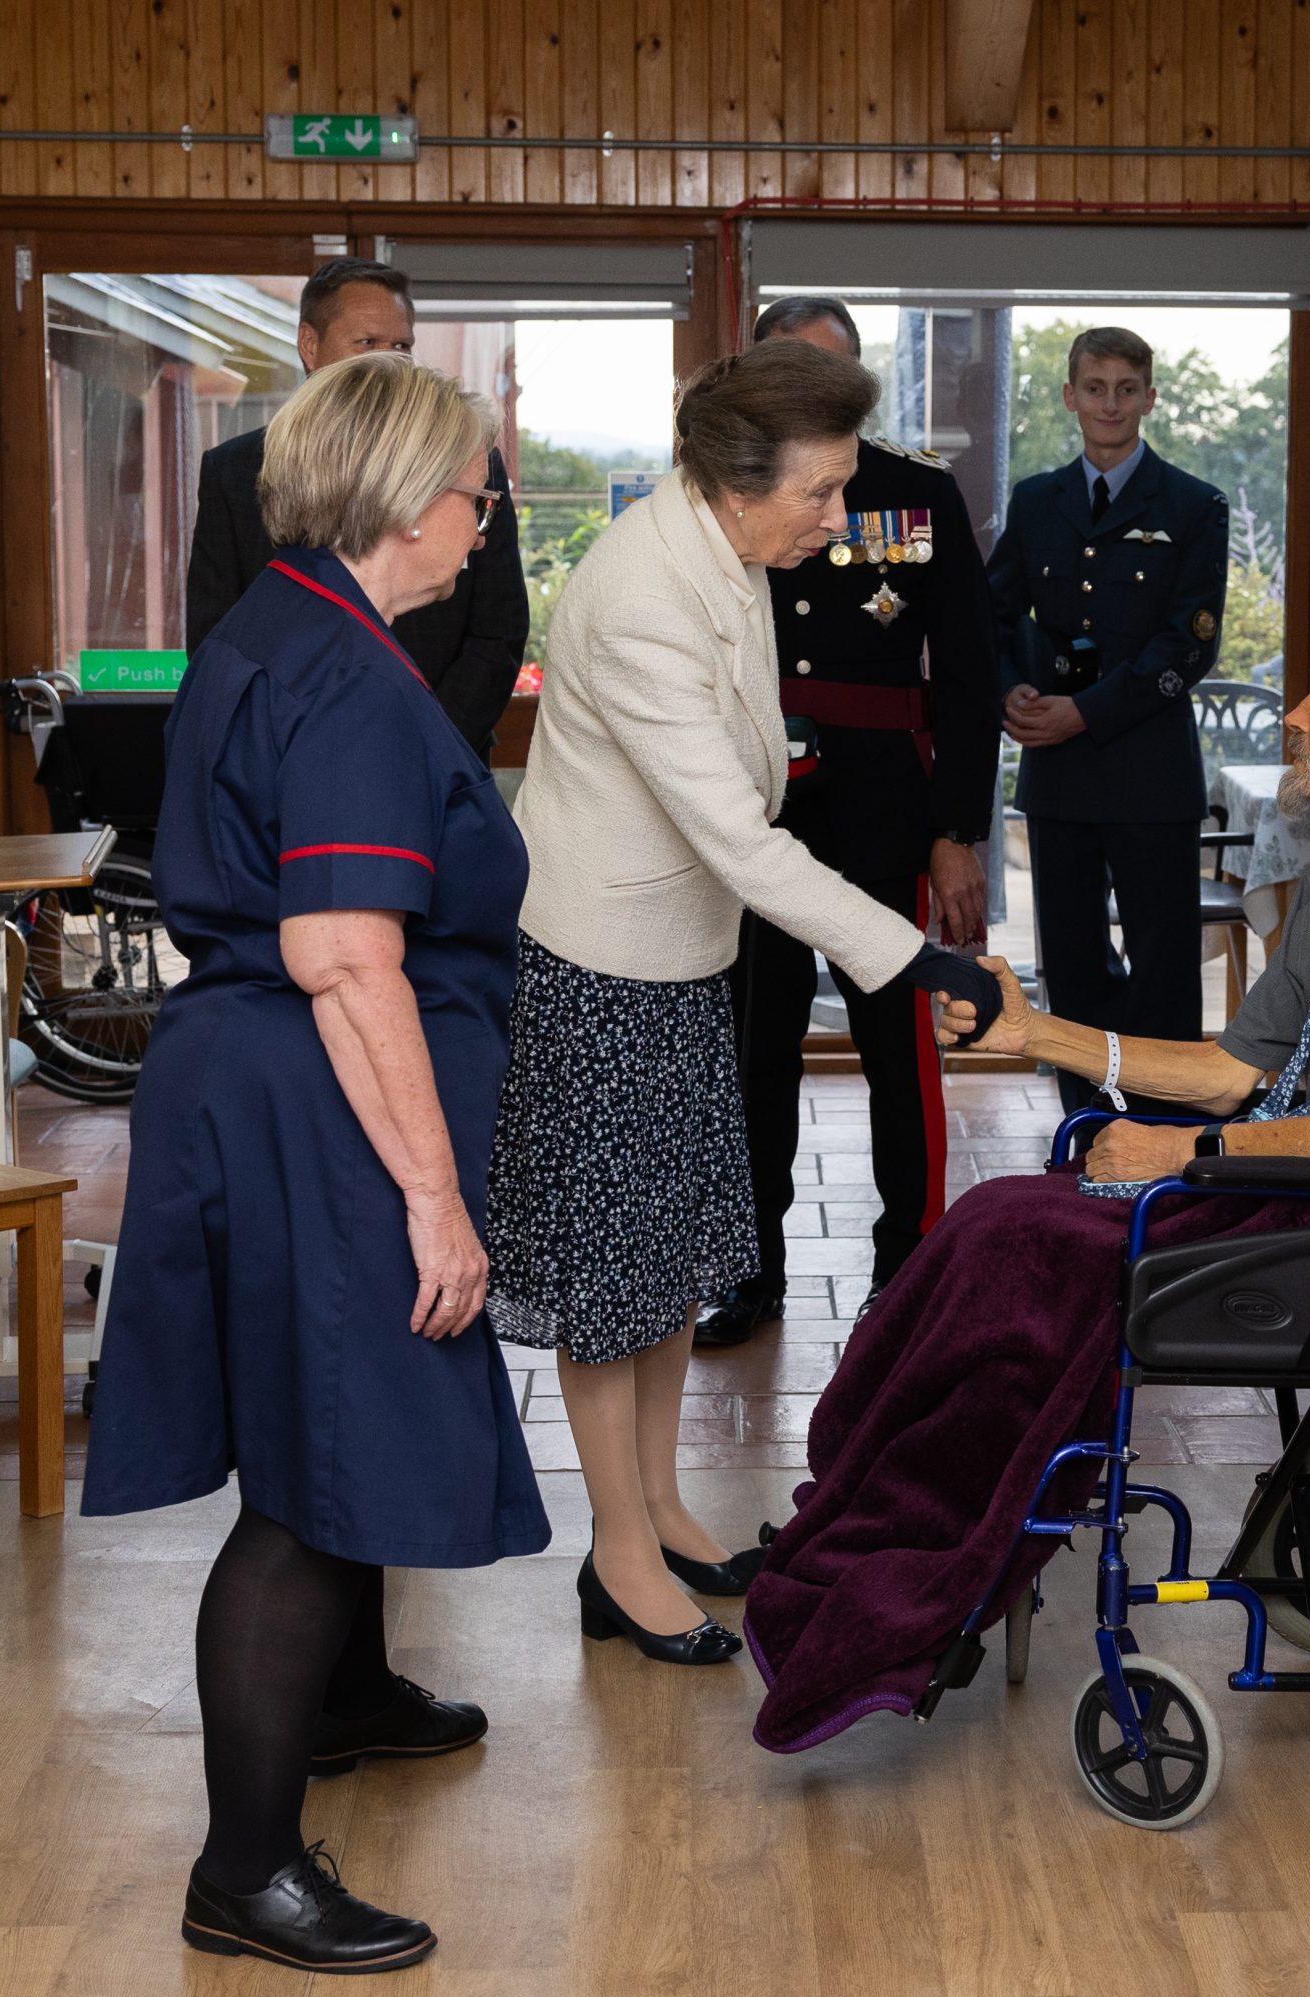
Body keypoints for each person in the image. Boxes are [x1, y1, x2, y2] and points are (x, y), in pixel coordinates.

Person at [744, 624, 1310, 1753]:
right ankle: (870, 1509)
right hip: (1286, 1187)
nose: (1293, 714)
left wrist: (1179, 1158)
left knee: (1022, 1250)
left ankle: (914, 1552)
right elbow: (1234, 1071)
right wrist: (1038, 1030)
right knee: (996, 1215)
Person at [80, 353, 547, 1974]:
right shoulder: (350, 680)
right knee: (318, 1470)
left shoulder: (277, 622)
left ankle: (351, 1696)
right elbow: (350, 958)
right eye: (481, 491)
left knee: (323, 1424)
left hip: (254, 1083)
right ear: (415, 495)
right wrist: (433, 1192)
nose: (487, 524)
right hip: (322, 1097)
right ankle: (250, 1868)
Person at [486, 339, 986, 1666]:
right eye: (822, 491)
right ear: (736, 477)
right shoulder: (647, 594)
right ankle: (618, 1557)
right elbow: (736, 835)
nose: (839, 516)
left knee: (658, 1268)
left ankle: (661, 1511)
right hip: (602, 965)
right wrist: (911, 954)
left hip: (675, 954)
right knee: (613, 1278)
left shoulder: (731, 555)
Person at [695, 296, 1002, 1348]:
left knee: (896, 1042)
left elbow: (967, 673)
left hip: (885, 799)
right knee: (754, 1042)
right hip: (759, 801)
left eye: (830, 374)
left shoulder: (912, 492)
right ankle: (751, 1269)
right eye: (791, 370)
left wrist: (957, 824)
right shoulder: (727, 494)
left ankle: (908, 1270)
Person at [988, 326, 1230, 1113]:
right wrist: (1010, 692)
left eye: (1127, 389)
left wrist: (1083, 714)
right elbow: (990, 619)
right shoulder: (1035, 501)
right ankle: (1087, 1124)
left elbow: (1188, 644)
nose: (1111, 404)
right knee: (1073, 961)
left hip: (1150, 772)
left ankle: (1160, 1127)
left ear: (1150, 398)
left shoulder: (1194, 505)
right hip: (1059, 779)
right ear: (1070, 396)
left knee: (1161, 964)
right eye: (1095, 388)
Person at [185, 257, 529, 760]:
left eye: (402, 346)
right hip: (290, 757)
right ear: (310, 345)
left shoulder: (472, 461)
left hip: (444, 750)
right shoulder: (236, 471)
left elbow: (498, 631)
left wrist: (421, 741)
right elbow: (217, 640)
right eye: (367, 343)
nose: (389, 361)